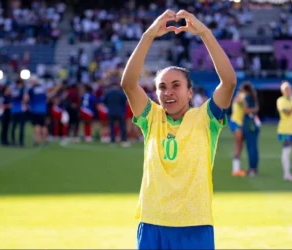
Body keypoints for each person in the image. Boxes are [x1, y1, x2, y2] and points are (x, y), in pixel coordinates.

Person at [121, 9, 236, 250]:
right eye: (162, 87)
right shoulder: (151, 118)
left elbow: (229, 81)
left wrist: (204, 33)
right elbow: (128, 83)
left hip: (195, 224)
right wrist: (149, 35)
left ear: (190, 92)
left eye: (176, 85)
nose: (168, 92)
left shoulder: (206, 119)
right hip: (153, 222)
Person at [241, 82, 261, 177]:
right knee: (254, 146)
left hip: (249, 123)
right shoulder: (254, 97)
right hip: (255, 122)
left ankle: (252, 169)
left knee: (250, 147)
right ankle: (254, 168)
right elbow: (256, 109)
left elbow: (245, 110)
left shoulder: (246, 98)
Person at [102, 82, 130, 147]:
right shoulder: (120, 93)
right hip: (120, 112)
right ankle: (124, 141)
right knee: (122, 127)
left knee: (111, 127)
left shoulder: (108, 93)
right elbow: (126, 102)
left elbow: (104, 102)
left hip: (111, 112)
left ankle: (112, 141)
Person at [229, 85, 246, 177]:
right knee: (238, 144)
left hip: (236, 122)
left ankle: (237, 168)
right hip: (236, 122)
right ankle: (235, 170)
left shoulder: (239, 95)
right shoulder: (241, 96)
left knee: (239, 144)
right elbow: (239, 101)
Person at [10, 79, 27, 147]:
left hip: (15, 110)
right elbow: (25, 99)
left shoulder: (13, 90)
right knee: (20, 127)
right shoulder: (22, 90)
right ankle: (20, 141)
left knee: (14, 126)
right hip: (20, 110)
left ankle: (14, 141)